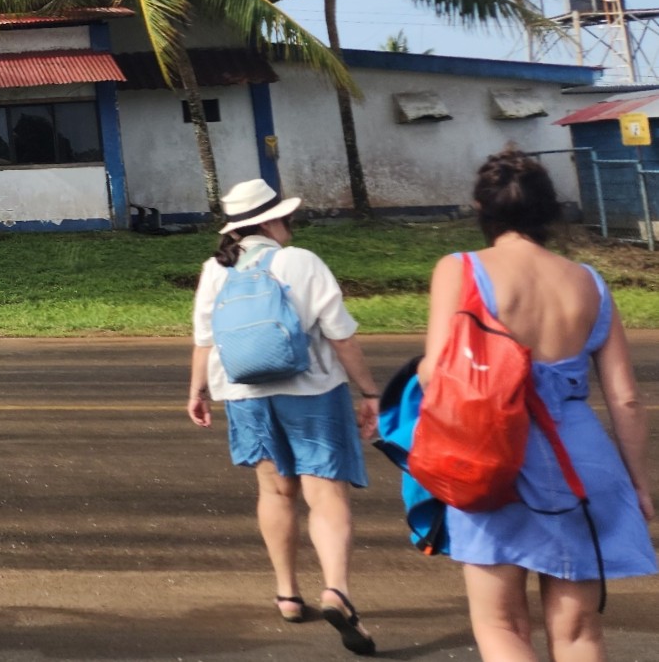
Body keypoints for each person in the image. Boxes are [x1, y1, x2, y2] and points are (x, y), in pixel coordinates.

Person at [421, 151, 655, 661]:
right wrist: (638, 484)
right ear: (550, 211)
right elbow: (626, 398)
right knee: (579, 631)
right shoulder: (589, 281)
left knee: (501, 624)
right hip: (583, 462)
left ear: (481, 208)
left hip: (492, 457)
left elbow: (436, 373)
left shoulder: (460, 269)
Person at [187, 177, 383, 656]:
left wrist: (198, 390)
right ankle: (335, 590)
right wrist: (370, 391)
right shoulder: (302, 262)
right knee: (325, 491)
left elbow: (205, 340)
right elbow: (341, 336)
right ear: (273, 220)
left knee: (275, 491)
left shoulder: (215, 268)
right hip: (311, 390)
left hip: (245, 394)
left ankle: (288, 595)